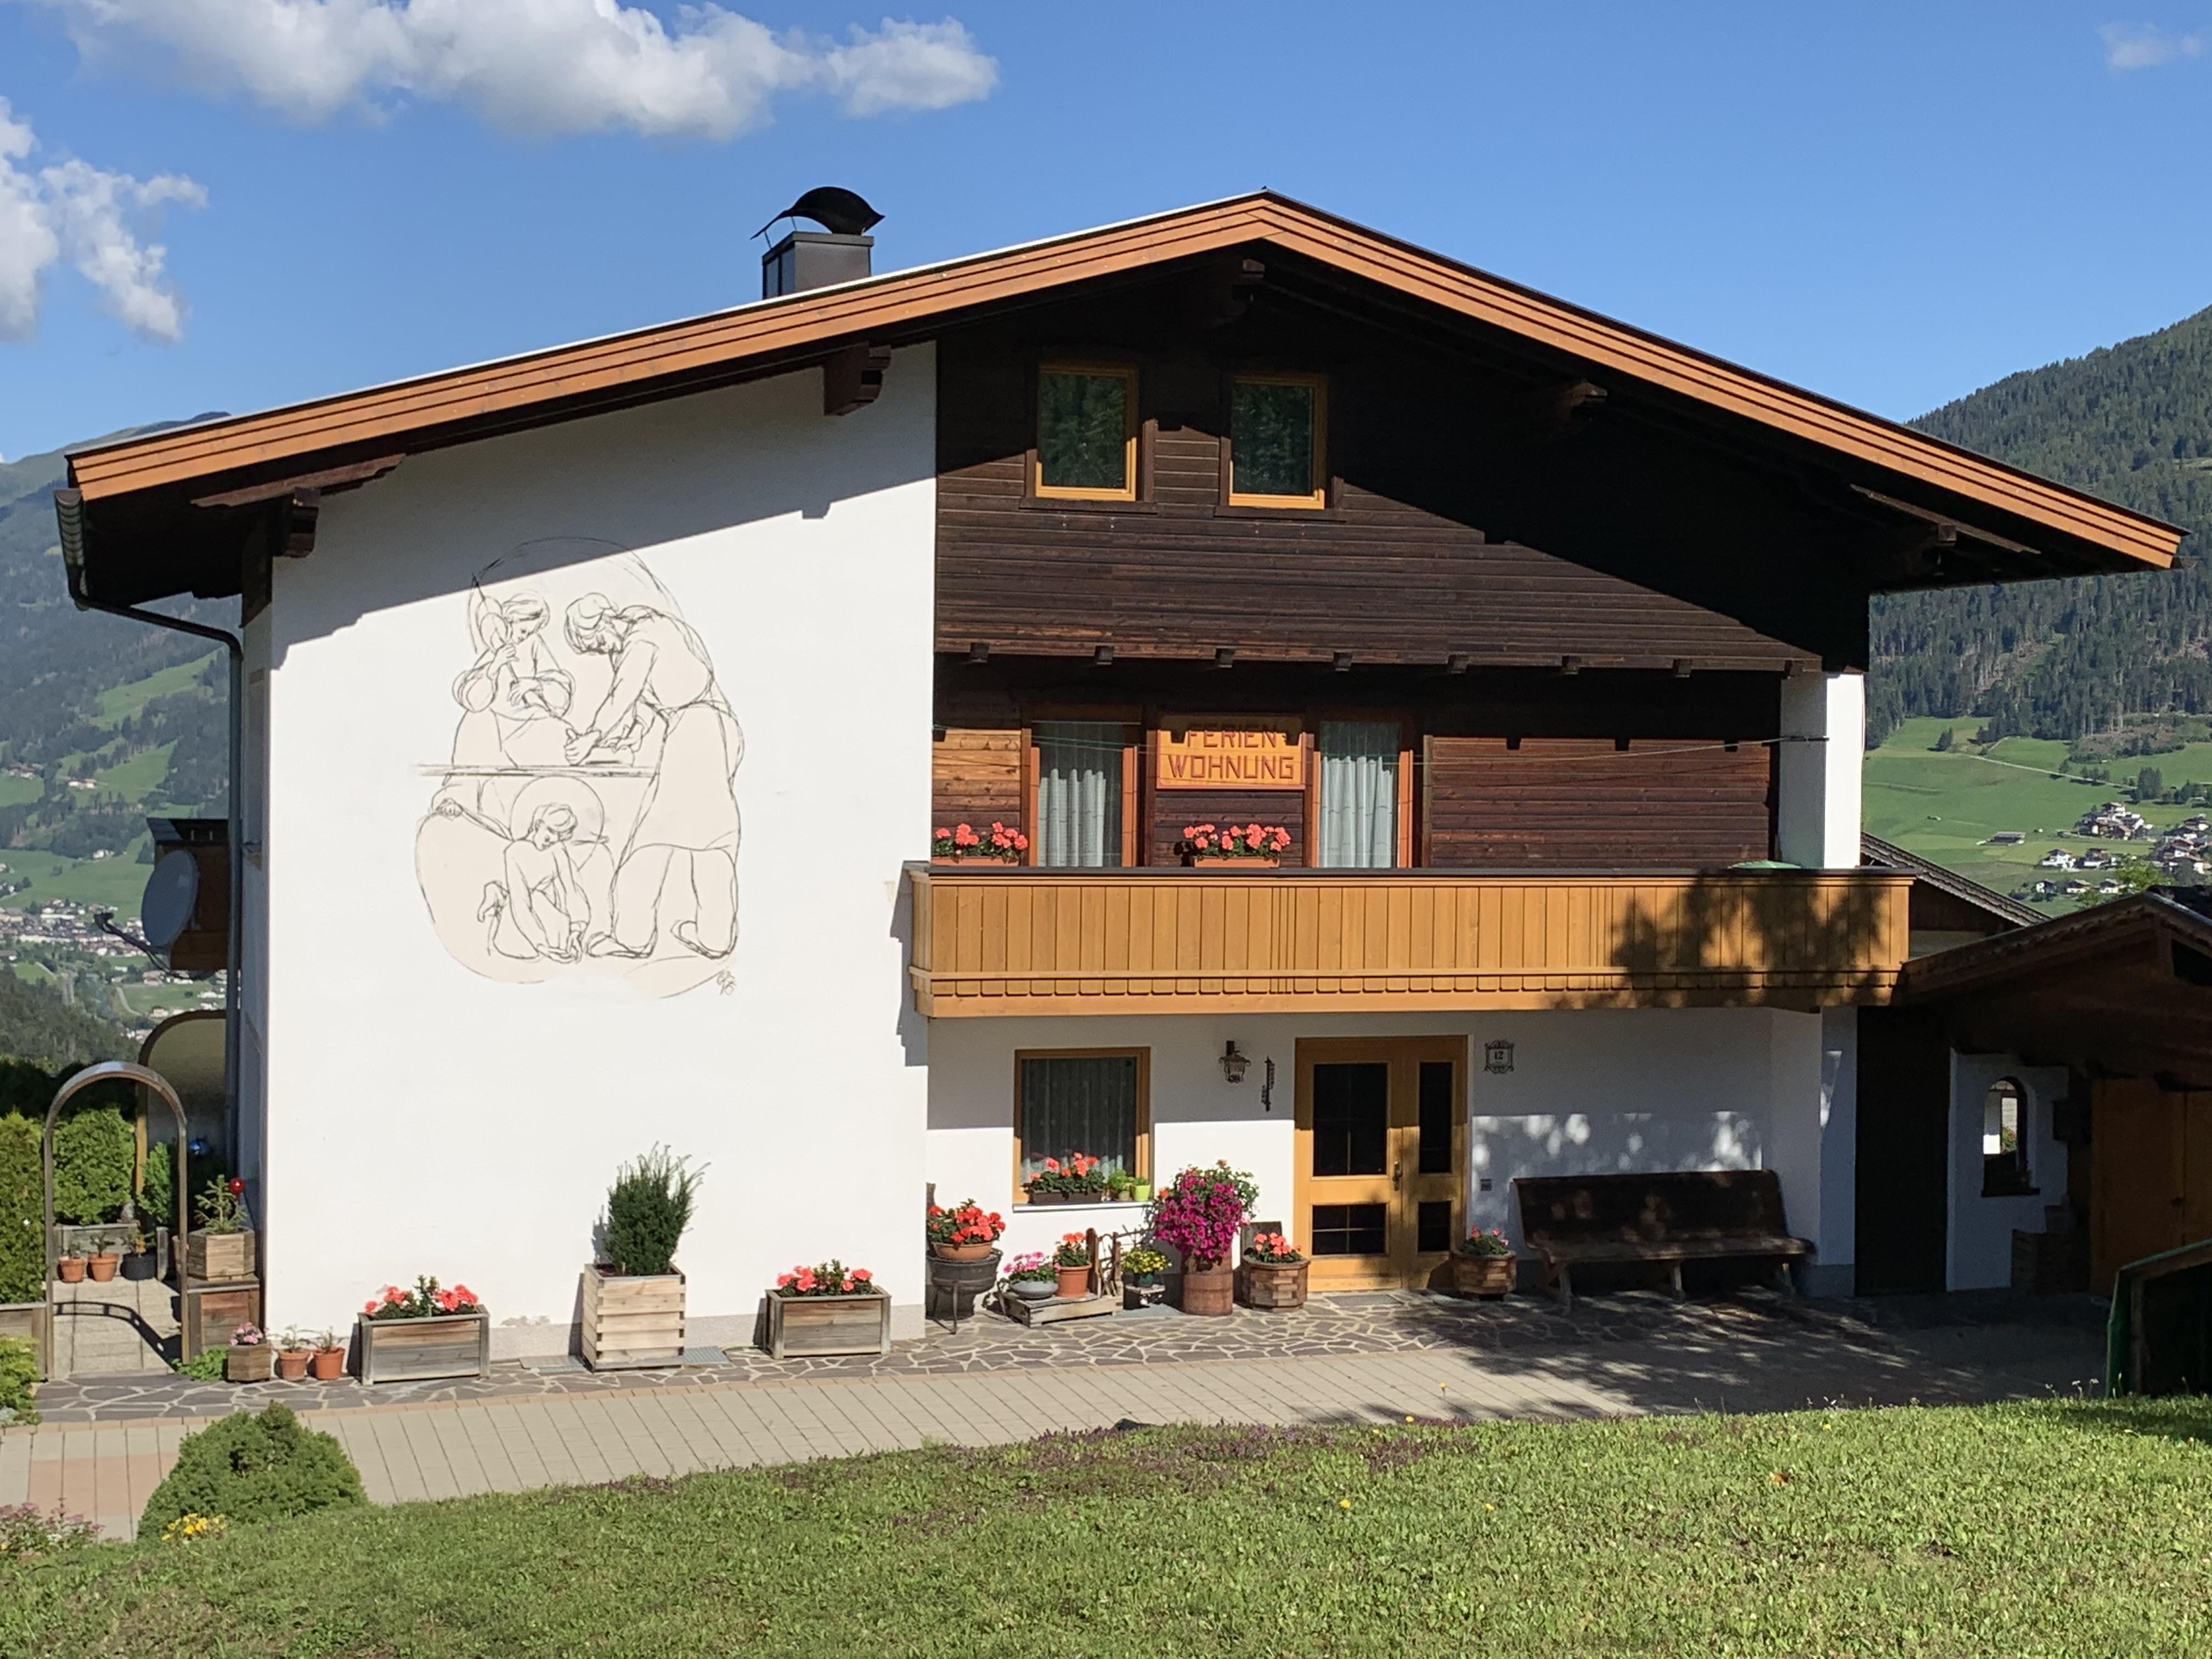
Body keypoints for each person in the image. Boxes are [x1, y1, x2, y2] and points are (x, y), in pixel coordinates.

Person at [561, 594, 741, 959]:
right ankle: (715, 937)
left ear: (604, 623)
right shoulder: (655, 628)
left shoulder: (641, 641)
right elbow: (647, 704)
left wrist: (590, 738)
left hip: (695, 733)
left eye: (597, 643)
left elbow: (623, 695)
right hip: (717, 728)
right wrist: (632, 734)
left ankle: (633, 937)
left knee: (651, 840)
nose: (602, 650)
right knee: (711, 839)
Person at [436, 798, 591, 962]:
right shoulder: (515, 852)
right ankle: (497, 894)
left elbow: (571, 891)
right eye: (551, 833)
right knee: (526, 948)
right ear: (539, 825)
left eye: (559, 837)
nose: (553, 840)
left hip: (541, 905)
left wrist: (576, 931)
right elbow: (520, 903)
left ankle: (498, 894)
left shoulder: (557, 850)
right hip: (520, 912)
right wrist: (541, 945)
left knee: (559, 928)